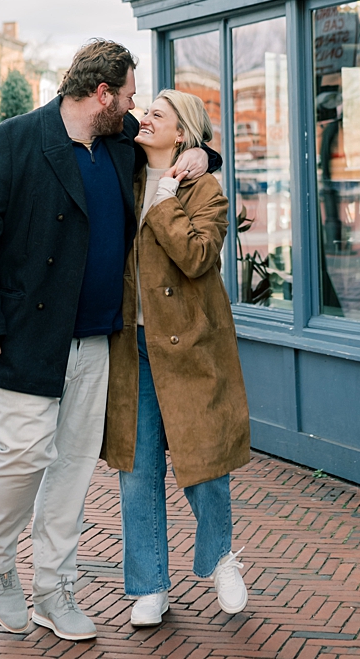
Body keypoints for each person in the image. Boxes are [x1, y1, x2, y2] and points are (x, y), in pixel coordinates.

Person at [0, 41, 213, 641]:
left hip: (99, 338)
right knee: (22, 456)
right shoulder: (15, 139)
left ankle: (53, 586)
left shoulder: (120, 142)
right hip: (24, 336)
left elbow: (183, 149)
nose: (132, 108)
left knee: (72, 468)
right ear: (101, 94)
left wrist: (204, 156)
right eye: (126, 95)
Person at [102, 89, 252, 627]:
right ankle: (149, 585)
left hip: (190, 346)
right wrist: (196, 154)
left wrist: (169, 192)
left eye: (156, 115)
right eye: (144, 111)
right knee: (137, 471)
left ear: (181, 132)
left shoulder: (205, 190)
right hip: (132, 349)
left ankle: (220, 558)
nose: (143, 119)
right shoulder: (125, 171)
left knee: (204, 464)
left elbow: (196, 257)